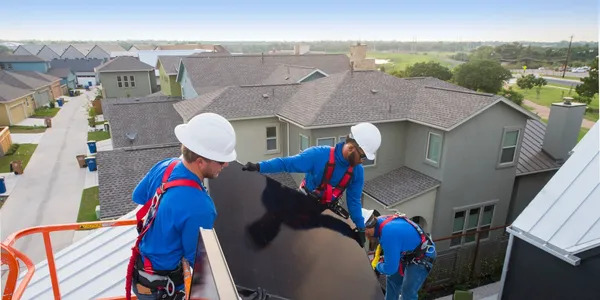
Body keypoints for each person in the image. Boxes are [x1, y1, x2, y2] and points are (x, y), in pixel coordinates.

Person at [125, 113, 237, 300]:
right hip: (162, 287)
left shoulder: (167, 166)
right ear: (200, 161)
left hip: (142, 273)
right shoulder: (200, 206)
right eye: (220, 160)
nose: (225, 164)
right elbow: (199, 262)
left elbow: (139, 196)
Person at [242, 122, 382, 245]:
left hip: (324, 208)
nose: (363, 161)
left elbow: (354, 201)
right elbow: (287, 163)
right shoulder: (318, 156)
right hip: (302, 201)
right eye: (363, 156)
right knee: (289, 229)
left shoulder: (357, 172)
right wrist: (259, 166)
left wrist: (360, 228)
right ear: (351, 148)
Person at [362, 209, 436, 300]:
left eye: (363, 231)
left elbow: (390, 269)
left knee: (407, 293)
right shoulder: (381, 220)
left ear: (367, 228)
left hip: (423, 256)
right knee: (392, 281)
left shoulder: (388, 234)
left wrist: (377, 266)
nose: (365, 235)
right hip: (408, 253)